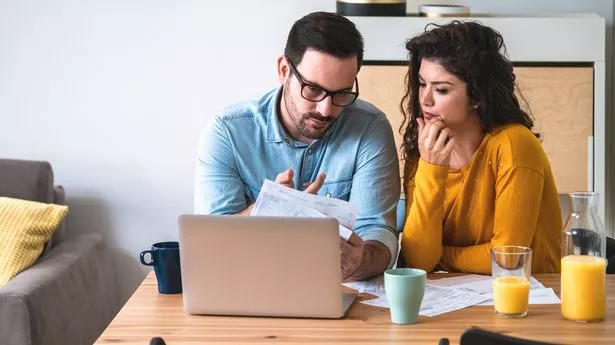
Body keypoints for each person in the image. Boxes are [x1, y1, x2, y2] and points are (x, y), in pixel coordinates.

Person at [194, 11, 400, 280]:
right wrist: (265, 211)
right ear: (283, 70)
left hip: (339, 291)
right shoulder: (228, 131)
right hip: (249, 285)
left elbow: (379, 230)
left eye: (341, 93)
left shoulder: (370, 128)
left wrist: (360, 260)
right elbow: (209, 239)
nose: (325, 109)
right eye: (313, 90)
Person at [399, 21, 562, 274]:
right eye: (422, 84)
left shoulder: (514, 144)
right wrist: (431, 168)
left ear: (476, 96)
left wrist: (440, 256)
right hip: (459, 298)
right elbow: (419, 261)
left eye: (441, 89)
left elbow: (508, 257)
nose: (425, 99)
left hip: (535, 295)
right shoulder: (424, 149)